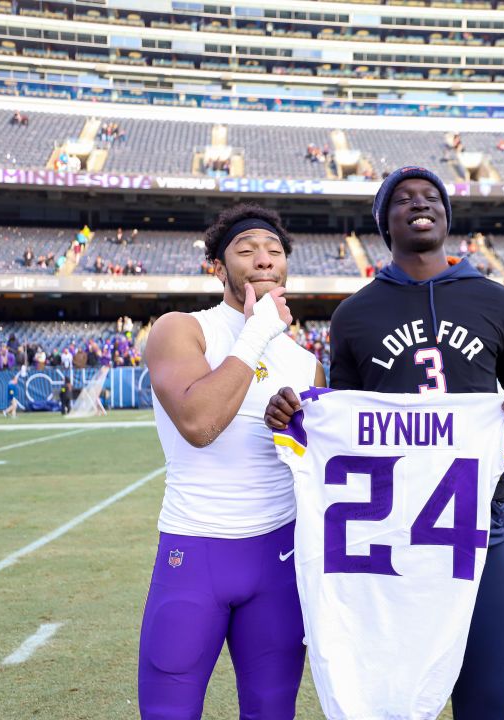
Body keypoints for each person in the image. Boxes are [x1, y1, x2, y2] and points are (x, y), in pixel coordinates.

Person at [264, 166, 504, 719]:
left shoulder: (498, 302)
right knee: (387, 693)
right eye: (403, 199)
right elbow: (342, 424)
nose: (419, 204)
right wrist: (295, 416)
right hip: (386, 532)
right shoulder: (354, 314)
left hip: (482, 522)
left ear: (447, 216)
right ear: (385, 222)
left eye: (431, 197)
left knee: (488, 701)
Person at [138, 204, 322, 719]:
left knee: (271, 710)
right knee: (168, 709)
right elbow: (199, 423)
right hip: (195, 550)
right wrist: (258, 332)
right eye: (246, 250)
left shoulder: (306, 362)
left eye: (275, 250)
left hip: (278, 557)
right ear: (217, 267)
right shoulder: (182, 329)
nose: (263, 259)